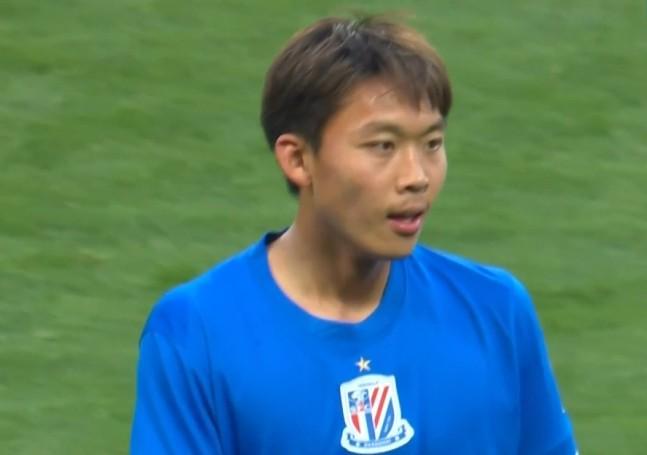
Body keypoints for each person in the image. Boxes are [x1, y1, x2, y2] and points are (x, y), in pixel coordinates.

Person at [130, 15, 577, 454]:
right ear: (298, 159)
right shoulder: (197, 333)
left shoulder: (496, 310)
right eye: (383, 146)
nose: (417, 177)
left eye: (432, 144)